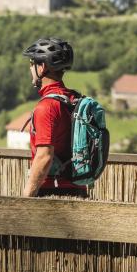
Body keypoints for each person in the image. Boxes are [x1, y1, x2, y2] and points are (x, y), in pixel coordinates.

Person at [21, 37, 88, 198]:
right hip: (77, 190)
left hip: (53, 193)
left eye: (32, 63)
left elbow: (44, 156)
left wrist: (25, 198)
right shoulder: (74, 100)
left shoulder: (47, 107)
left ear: (42, 67)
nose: (30, 68)